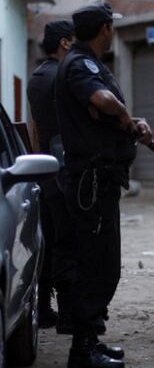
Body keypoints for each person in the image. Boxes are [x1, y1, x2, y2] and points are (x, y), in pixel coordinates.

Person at [55, 2, 152, 368]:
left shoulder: (89, 63)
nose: (113, 34)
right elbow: (102, 100)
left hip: (102, 179)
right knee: (96, 264)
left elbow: (102, 114)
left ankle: (91, 338)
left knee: (104, 262)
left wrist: (132, 122)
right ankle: (82, 349)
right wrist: (126, 115)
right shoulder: (80, 64)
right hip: (91, 181)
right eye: (112, 28)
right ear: (105, 29)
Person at [27, 20, 75, 330]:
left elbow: (33, 128)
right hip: (66, 169)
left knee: (47, 241)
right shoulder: (65, 76)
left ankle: (44, 310)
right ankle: (69, 315)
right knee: (68, 243)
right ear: (65, 44)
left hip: (44, 167)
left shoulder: (36, 78)